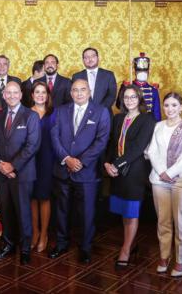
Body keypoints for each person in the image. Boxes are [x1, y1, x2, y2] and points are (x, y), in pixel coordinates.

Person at [49, 79, 110, 264]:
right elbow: (54, 137)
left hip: (87, 172)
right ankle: (61, 244)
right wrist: (67, 159)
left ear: (89, 91)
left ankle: (85, 248)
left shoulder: (101, 112)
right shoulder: (60, 111)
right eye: (75, 90)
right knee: (61, 211)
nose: (79, 93)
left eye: (83, 90)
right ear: (71, 93)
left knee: (86, 213)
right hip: (63, 169)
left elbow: (101, 141)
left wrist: (81, 162)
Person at [146, 92, 182, 277]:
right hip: (159, 180)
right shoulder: (158, 126)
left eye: (174, 105)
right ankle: (164, 256)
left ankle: (180, 260)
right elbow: (152, 151)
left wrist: (169, 173)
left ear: (181, 107)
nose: (170, 109)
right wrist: (162, 173)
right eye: (166, 105)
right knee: (163, 221)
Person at [0, 81, 41, 265]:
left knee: (23, 211)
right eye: (8, 93)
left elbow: (32, 145)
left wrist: (13, 166)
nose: (11, 95)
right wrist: (0, 165)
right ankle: (9, 244)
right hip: (2, 173)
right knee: (6, 210)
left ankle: (25, 249)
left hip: (23, 174)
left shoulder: (31, 116)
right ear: (3, 95)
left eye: (15, 92)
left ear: (21, 94)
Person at [104, 85, 155, 269]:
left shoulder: (147, 119)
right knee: (124, 212)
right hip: (117, 173)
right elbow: (111, 144)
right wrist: (107, 163)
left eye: (134, 97)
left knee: (132, 212)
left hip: (134, 173)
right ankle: (131, 244)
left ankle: (125, 250)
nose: (130, 100)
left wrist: (116, 165)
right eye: (126, 97)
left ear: (139, 99)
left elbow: (138, 147)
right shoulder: (118, 118)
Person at [30, 82, 56, 253]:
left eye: (43, 92)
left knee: (44, 197)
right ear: (32, 95)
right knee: (32, 197)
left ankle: (44, 234)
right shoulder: (26, 113)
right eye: (37, 92)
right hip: (30, 160)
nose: (40, 95)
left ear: (47, 95)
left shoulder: (55, 113)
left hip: (48, 159)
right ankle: (35, 232)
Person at [116, 52, 161, 121]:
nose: (143, 74)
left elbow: (156, 112)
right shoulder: (127, 87)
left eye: (145, 72)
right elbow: (119, 106)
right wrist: (123, 87)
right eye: (140, 72)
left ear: (148, 73)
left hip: (148, 121)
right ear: (135, 73)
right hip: (130, 119)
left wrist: (157, 126)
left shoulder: (153, 89)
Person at [72, 47, 117, 113]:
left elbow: (112, 95)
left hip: (104, 113)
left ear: (98, 58)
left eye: (92, 56)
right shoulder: (76, 76)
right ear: (83, 60)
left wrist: (99, 110)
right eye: (86, 57)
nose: (90, 59)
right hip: (83, 114)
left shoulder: (109, 75)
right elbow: (74, 95)